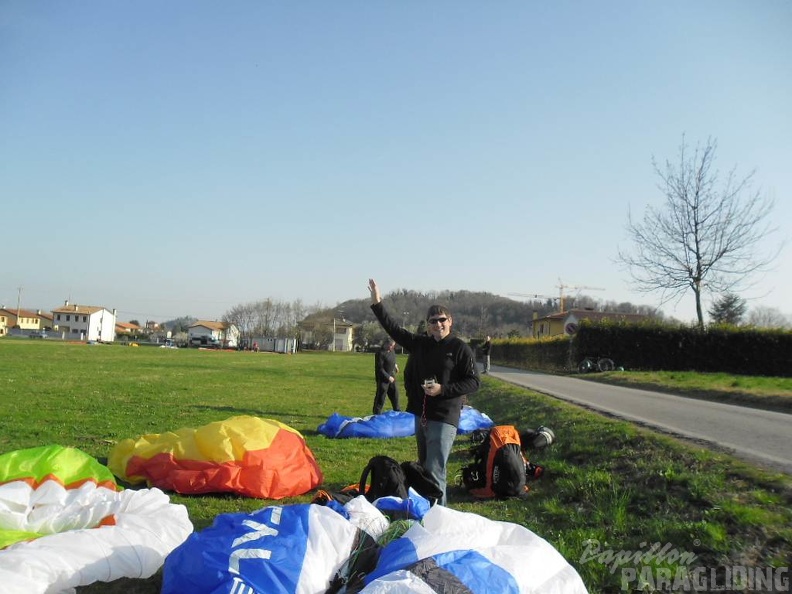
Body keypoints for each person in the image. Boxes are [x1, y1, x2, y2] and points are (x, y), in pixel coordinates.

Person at [368, 278, 480, 505]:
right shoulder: (421, 344)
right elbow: (394, 329)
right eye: (432, 321)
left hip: (445, 415)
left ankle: (440, 517)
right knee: (425, 467)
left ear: (450, 321)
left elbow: (474, 382)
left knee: (435, 469)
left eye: (442, 320)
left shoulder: (460, 348)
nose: (437, 324)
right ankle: (430, 511)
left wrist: (444, 389)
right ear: (427, 325)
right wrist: (377, 302)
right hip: (423, 415)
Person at [373, 338, 400, 415]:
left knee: (395, 395)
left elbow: (393, 359)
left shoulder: (392, 351)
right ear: (386, 344)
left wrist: (395, 366)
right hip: (383, 379)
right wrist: (388, 377)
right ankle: (376, 414)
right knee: (381, 398)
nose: (392, 347)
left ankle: (398, 413)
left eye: (393, 346)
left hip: (392, 376)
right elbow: (380, 369)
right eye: (391, 345)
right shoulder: (380, 353)